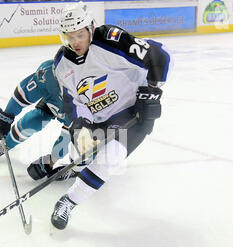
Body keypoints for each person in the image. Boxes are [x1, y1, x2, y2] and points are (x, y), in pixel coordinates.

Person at [50, 1, 171, 230]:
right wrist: (81, 125)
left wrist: (152, 91)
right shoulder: (61, 64)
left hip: (133, 112)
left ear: (90, 29)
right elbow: (72, 102)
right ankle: (79, 169)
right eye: (69, 37)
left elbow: (159, 55)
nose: (75, 42)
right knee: (83, 151)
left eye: (79, 35)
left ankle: (68, 201)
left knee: (109, 159)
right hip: (100, 117)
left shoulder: (110, 41)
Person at [0, 59, 79, 181]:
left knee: (88, 140)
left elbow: (69, 134)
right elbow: (24, 93)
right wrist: (5, 116)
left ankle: (80, 168)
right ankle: (6, 144)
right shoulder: (48, 72)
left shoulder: (87, 98)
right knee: (32, 122)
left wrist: (51, 160)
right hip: (55, 101)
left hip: (79, 114)